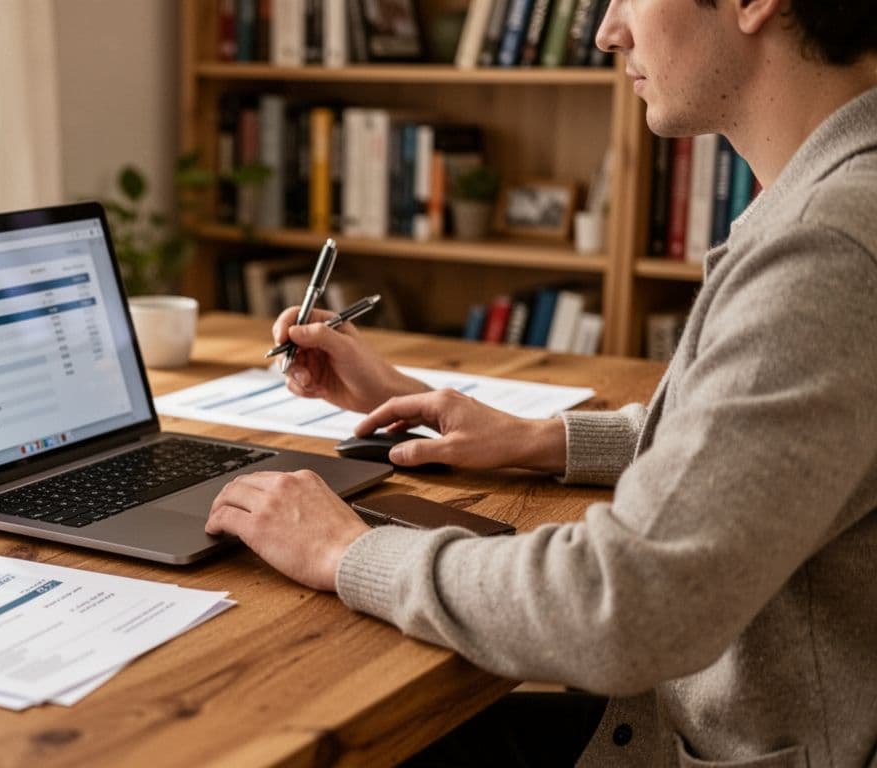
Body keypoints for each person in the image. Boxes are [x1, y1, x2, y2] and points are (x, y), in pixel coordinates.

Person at [204, 0, 877, 765]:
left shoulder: (830, 248)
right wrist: (533, 438)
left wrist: (345, 554)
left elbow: (622, 607)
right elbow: (760, 446)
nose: (607, 29)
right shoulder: (836, 199)